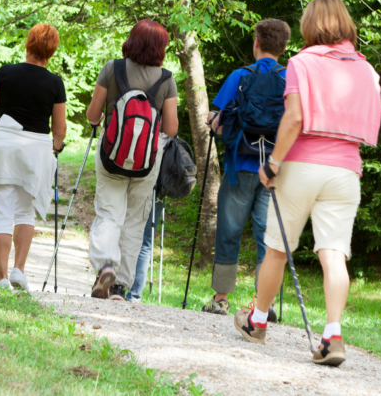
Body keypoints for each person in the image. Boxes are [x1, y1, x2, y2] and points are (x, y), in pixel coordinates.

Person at [233, 0, 381, 367]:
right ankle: (332, 335)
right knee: (334, 253)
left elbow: (295, 117)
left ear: (309, 25)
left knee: (277, 248)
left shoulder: (302, 63)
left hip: (302, 164)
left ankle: (258, 320)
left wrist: (273, 163)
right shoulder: (367, 69)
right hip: (347, 169)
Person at [0, 23, 67, 291]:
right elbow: (59, 129)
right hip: (36, 152)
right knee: (24, 212)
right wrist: (56, 147)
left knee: (1, 213)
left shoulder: (6, 72)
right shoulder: (56, 83)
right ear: (52, 51)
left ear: (28, 43)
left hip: (3, 149)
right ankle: (19, 269)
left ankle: (2, 279)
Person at [202, 19, 291, 317]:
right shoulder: (291, 79)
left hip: (240, 164)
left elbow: (219, 121)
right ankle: (264, 304)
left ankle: (221, 298)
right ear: (284, 47)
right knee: (268, 235)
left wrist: (212, 120)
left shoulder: (240, 76)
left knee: (229, 229)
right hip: (275, 170)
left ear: (256, 43)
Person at [86, 19, 179, 301]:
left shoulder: (111, 69)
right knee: (135, 222)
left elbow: (93, 115)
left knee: (109, 214)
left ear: (132, 40)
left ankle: (105, 266)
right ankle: (119, 287)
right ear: (160, 48)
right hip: (146, 163)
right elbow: (171, 129)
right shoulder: (167, 79)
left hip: (111, 157)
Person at [126, 193, 165, 302]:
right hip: (159, 191)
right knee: (146, 244)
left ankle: (115, 289)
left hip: (138, 186)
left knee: (125, 235)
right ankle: (134, 295)